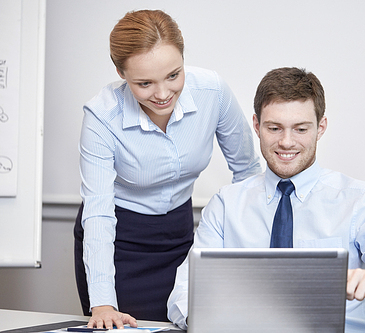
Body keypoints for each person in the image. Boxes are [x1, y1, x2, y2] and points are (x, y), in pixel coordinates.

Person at [167, 67, 365, 332]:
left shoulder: (359, 199)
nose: (286, 142)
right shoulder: (226, 204)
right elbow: (184, 293)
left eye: (301, 129)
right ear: (257, 126)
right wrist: (207, 321)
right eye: (274, 128)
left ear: (320, 127)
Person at [73, 9, 261, 329]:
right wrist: (103, 303)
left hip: (181, 236)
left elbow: (247, 172)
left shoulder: (212, 92)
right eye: (144, 83)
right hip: (120, 242)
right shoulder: (102, 116)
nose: (162, 94)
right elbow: (99, 213)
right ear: (120, 72)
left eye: (174, 75)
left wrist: (250, 252)